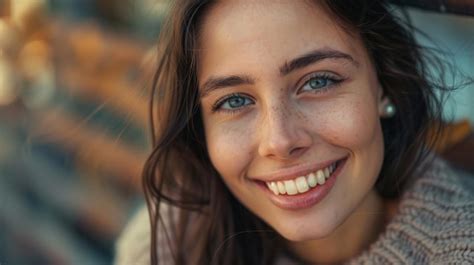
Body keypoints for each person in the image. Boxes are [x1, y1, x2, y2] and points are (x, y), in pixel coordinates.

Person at [115, 0, 474, 264]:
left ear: (383, 86)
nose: (280, 141)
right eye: (235, 101)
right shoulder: (161, 247)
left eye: (318, 81)